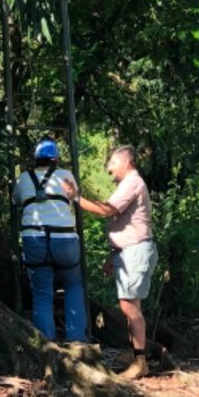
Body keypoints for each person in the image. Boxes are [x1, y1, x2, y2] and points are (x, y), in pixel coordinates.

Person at [65, 145, 157, 380]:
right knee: (129, 305)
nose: (109, 169)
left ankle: (140, 362)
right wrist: (113, 257)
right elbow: (123, 222)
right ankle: (135, 353)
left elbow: (107, 210)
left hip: (135, 252)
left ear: (126, 162)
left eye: (112, 164)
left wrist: (76, 197)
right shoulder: (128, 184)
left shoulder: (132, 183)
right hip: (127, 252)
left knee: (129, 307)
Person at [12, 139, 88, 344]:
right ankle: (77, 339)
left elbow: (17, 201)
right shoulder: (65, 175)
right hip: (65, 240)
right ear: (55, 159)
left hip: (34, 239)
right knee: (73, 284)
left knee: (42, 293)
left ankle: (47, 344)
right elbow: (74, 199)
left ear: (36, 159)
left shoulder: (23, 179)